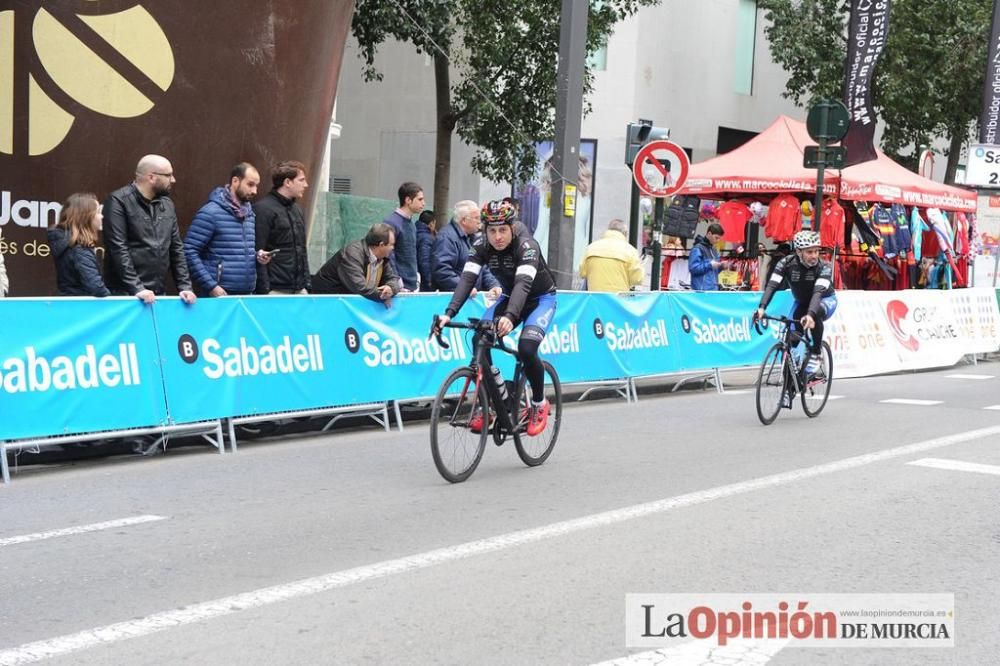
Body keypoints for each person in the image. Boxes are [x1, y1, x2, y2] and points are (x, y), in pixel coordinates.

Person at [432, 200, 557, 437]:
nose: (497, 236)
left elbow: (523, 284)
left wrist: (510, 316)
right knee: (479, 338)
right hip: (511, 298)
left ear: (512, 227)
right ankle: (495, 399)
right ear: (484, 230)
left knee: (527, 349)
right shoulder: (480, 246)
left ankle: (539, 404)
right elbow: (466, 280)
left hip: (540, 299)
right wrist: (448, 314)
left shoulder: (526, 245)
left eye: (502, 230)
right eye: (492, 230)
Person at [104, 155, 195, 304]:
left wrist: (185, 286)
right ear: (151, 177)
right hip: (126, 295)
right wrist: (137, 288)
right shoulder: (118, 201)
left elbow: (176, 248)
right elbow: (118, 248)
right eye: (168, 175)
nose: (173, 180)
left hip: (158, 293)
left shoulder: (167, 204)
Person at [755, 230, 837, 380]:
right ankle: (788, 390)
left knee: (815, 312)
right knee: (790, 344)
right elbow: (772, 285)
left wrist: (811, 315)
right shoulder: (786, 263)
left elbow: (817, 294)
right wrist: (761, 308)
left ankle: (816, 353)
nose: (814, 256)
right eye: (809, 252)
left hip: (825, 301)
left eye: (816, 251)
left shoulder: (824, 267)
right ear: (798, 251)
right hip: (801, 303)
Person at [184, 163, 264, 296]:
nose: (255, 191)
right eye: (250, 184)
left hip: (246, 292)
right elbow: (189, 251)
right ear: (235, 181)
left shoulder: (249, 214)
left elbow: (235, 251)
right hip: (219, 293)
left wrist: (257, 257)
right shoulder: (211, 212)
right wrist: (211, 286)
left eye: (256, 186)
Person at [253, 160, 311, 294]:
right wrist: (265, 290)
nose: (306, 185)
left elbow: (302, 250)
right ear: (287, 182)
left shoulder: (298, 210)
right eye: (301, 180)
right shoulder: (263, 209)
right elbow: (257, 251)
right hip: (275, 290)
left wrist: (306, 284)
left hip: (299, 289)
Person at [311, 223, 401, 307]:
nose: (393, 248)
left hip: (346, 305)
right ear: (381, 245)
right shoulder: (352, 255)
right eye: (391, 245)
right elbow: (359, 286)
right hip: (326, 304)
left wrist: (390, 288)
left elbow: (393, 279)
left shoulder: (382, 259)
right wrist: (382, 296)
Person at [47, 193, 112, 297]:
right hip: (83, 308)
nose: (102, 216)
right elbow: (97, 288)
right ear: (86, 217)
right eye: (98, 212)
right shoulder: (79, 249)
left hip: (71, 305)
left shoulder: (71, 245)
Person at [431, 200, 500, 293]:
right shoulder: (446, 238)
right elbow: (442, 271)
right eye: (476, 218)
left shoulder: (472, 237)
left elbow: (482, 267)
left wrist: (493, 285)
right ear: (464, 220)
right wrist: (464, 287)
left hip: (470, 297)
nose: (479, 222)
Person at [578, 218, 643, 292]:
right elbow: (637, 279)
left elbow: (582, 273)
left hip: (595, 299)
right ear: (625, 233)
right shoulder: (630, 251)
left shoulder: (591, 248)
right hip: (617, 301)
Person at [383, 181, 424, 291]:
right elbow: (388, 255)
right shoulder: (391, 222)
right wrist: (397, 281)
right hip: (399, 287)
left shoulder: (411, 224)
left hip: (412, 284)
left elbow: (411, 253)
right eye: (420, 199)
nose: (423, 203)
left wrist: (416, 276)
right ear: (408, 200)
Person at [688, 222, 725, 291]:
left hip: (713, 289)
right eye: (716, 238)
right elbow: (693, 269)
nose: (718, 241)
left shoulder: (714, 250)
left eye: (719, 238)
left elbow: (713, 272)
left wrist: (721, 266)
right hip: (701, 291)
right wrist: (710, 264)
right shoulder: (698, 248)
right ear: (709, 234)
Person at [415, 209, 436, 291]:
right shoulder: (426, 238)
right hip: (423, 281)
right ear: (431, 224)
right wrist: (429, 281)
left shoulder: (414, 232)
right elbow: (425, 260)